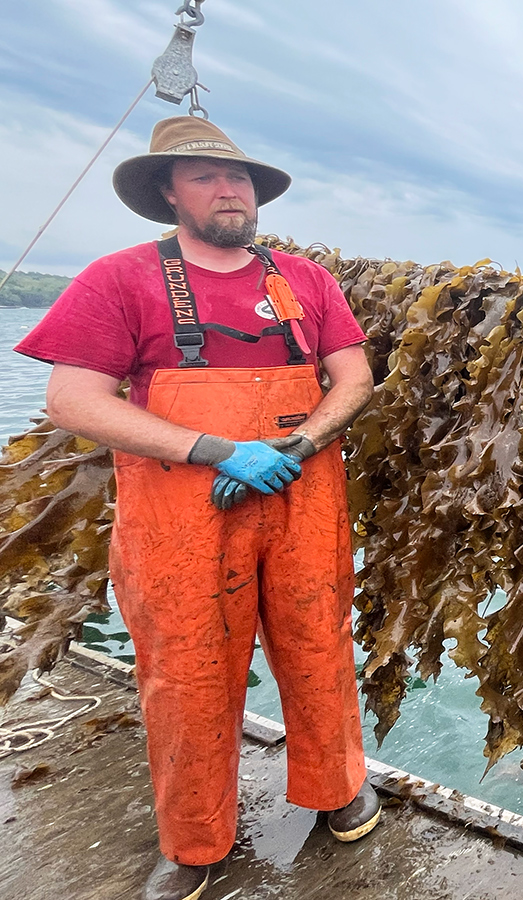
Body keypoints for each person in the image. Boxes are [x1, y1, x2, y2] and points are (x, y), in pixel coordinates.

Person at [14, 116, 379, 900]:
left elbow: (353, 378)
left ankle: (338, 787)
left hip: (301, 494)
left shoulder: (305, 282)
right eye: (207, 177)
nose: (229, 191)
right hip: (182, 507)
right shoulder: (120, 278)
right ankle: (195, 840)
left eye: (240, 178)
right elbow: (72, 399)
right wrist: (216, 450)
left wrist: (298, 444)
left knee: (320, 643)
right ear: (168, 192)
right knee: (185, 669)